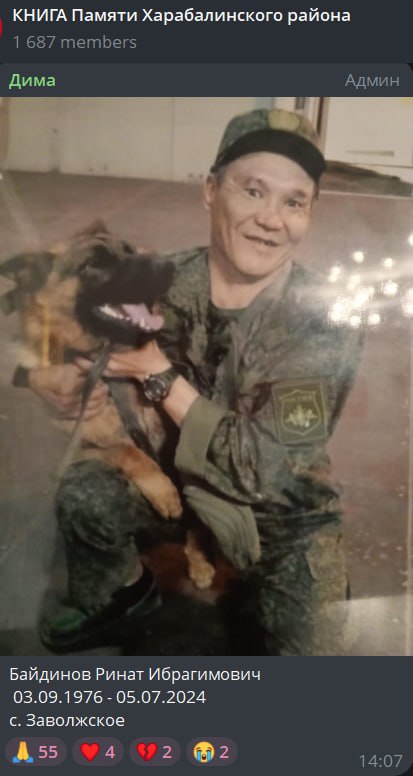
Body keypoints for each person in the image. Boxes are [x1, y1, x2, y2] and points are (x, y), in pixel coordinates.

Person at [25, 108, 363, 655]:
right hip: (176, 481)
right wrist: (47, 375)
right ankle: (124, 591)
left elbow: (267, 471)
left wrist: (156, 373)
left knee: (318, 662)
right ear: (210, 190)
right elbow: (70, 322)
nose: (271, 219)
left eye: (294, 202)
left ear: (310, 214)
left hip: (280, 511)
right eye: (252, 191)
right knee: (85, 494)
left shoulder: (324, 318)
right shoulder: (157, 279)